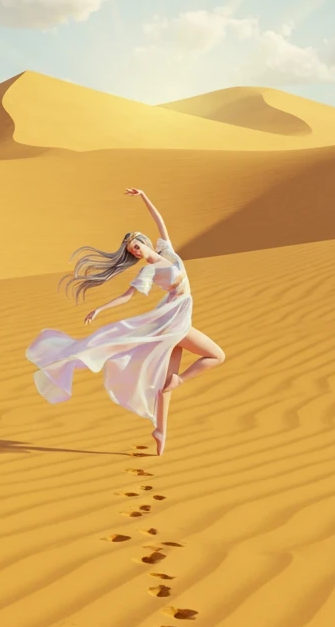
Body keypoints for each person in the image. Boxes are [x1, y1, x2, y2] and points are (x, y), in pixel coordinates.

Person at [25, 187, 226, 455]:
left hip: (174, 320)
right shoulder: (147, 272)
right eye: (133, 251)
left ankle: (160, 431)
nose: (137, 251)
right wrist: (100, 309)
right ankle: (180, 382)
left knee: (167, 384)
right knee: (217, 356)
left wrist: (144, 196)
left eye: (137, 245)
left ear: (144, 241)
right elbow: (127, 296)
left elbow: (160, 221)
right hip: (174, 323)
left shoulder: (166, 251)